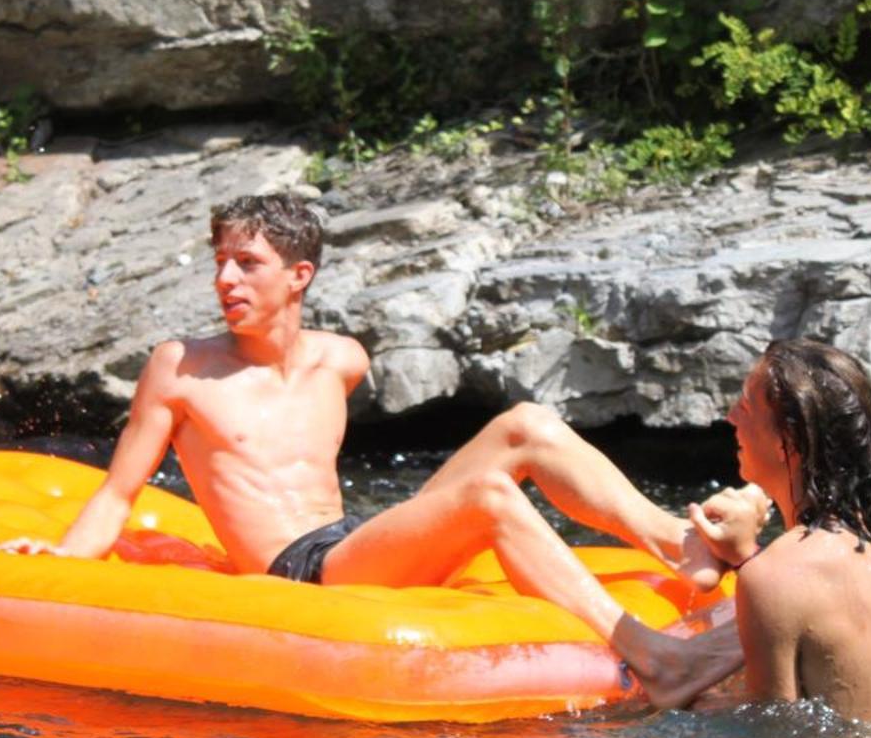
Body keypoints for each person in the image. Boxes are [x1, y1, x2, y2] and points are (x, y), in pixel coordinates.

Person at [43, 194, 770, 709]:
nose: (224, 279)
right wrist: (65, 561)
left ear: (299, 276)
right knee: (488, 498)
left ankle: (688, 543)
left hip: (354, 542)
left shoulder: (341, 359)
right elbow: (118, 493)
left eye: (247, 262)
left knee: (526, 422)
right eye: (221, 261)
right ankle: (654, 655)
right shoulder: (181, 367)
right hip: (302, 571)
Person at [702, 338, 871, 738]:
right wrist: (746, 556)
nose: (731, 417)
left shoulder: (775, 578)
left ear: (787, 443)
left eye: (745, 407)